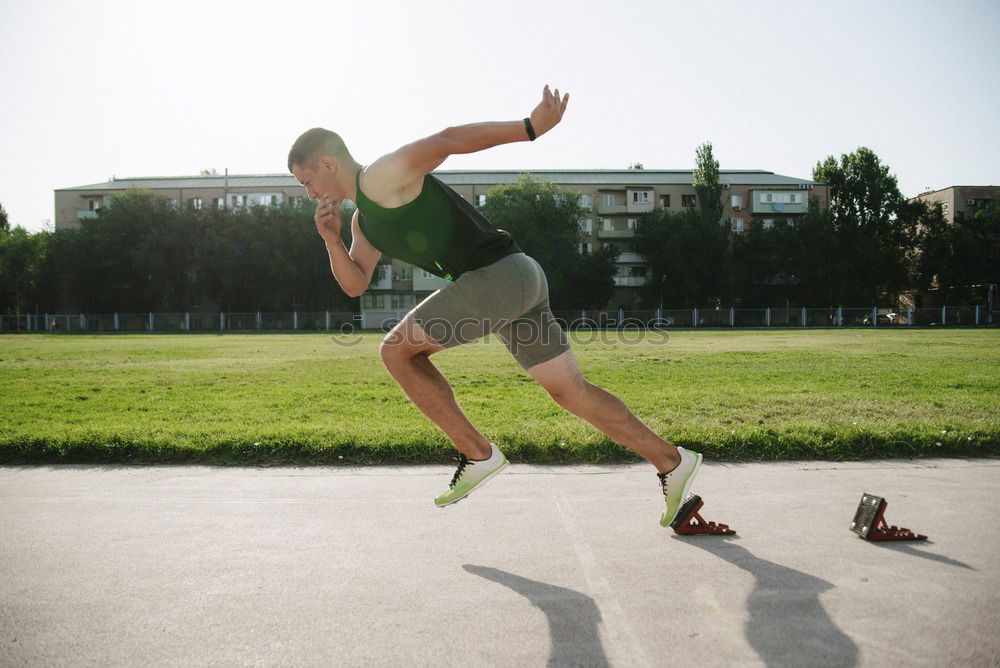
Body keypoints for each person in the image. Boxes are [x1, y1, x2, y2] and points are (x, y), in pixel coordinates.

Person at [287, 85, 701, 525]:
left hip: (497, 278)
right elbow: (355, 283)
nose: (311, 193)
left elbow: (446, 140)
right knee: (571, 392)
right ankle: (671, 463)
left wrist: (529, 128)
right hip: (519, 278)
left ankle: (477, 453)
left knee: (395, 351)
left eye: (308, 181)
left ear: (328, 163)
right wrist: (331, 241)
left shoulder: (379, 177)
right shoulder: (363, 220)